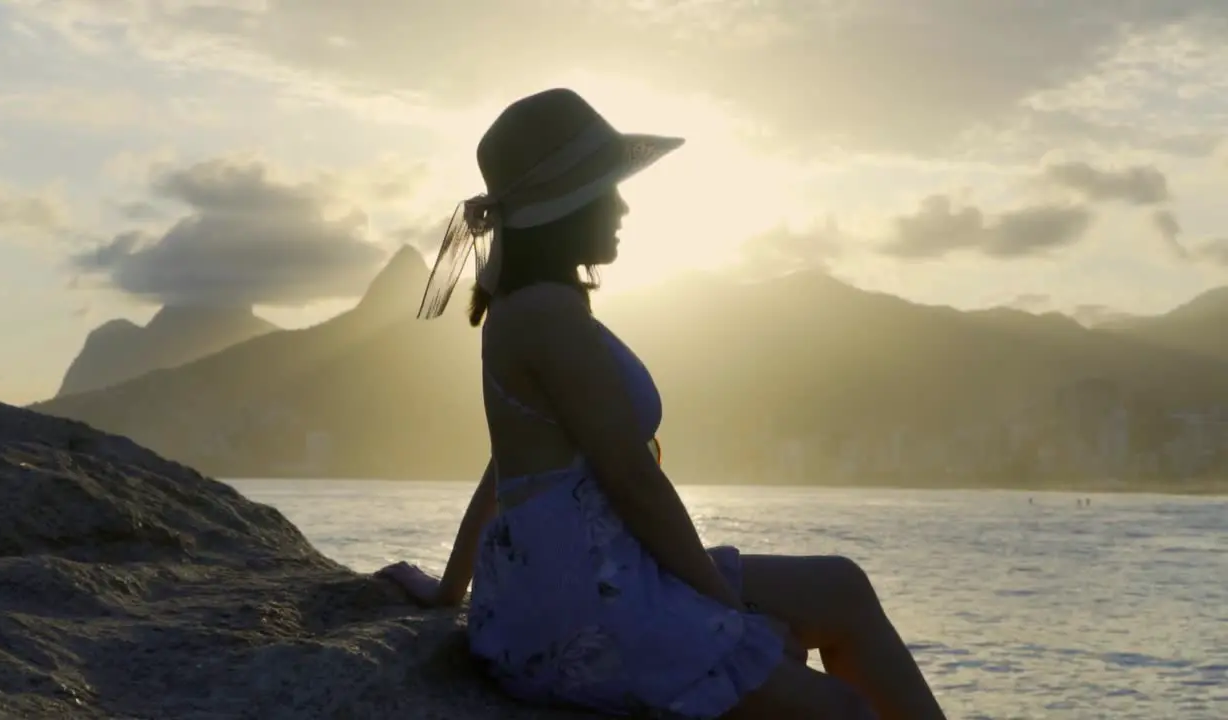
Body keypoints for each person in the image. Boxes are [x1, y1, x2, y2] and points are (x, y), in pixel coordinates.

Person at [377, 88, 946, 720]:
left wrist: (452, 587)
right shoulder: (549, 316)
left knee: (841, 586)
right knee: (842, 711)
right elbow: (633, 482)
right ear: (569, 207)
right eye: (608, 190)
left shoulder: (537, 307)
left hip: (590, 576)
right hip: (584, 609)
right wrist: (724, 614)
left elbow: (507, 469)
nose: (623, 206)